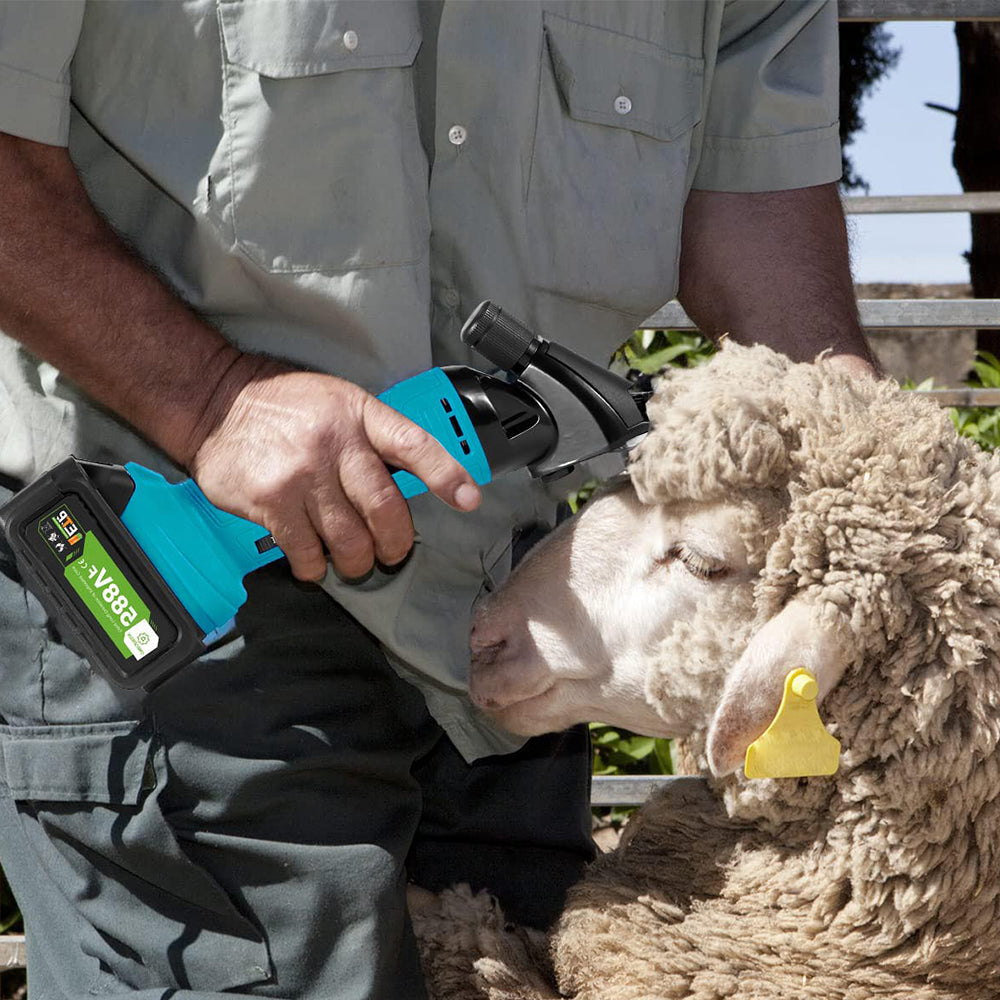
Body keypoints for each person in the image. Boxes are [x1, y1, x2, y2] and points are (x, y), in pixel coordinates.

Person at [0, 2, 877, 999]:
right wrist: (209, 396)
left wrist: (883, 489)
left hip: (513, 621)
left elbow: (754, 205)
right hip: (192, 583)